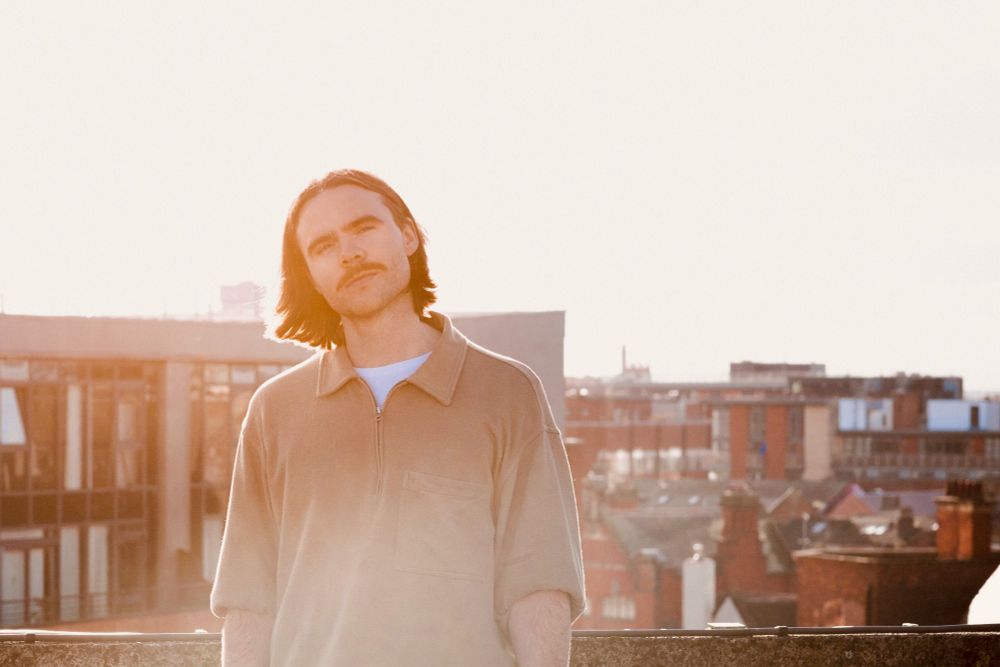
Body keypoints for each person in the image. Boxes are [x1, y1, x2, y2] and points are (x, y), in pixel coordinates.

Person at [210, 169, 585, 666]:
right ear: (311, 276)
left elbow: (538, 587)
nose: (348, 253)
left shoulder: (508, 393)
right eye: (323, 246)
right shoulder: (274, 410)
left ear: (407, 236)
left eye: (363, 228)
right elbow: (249, 605)